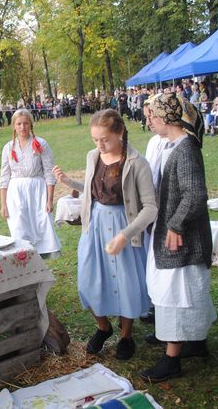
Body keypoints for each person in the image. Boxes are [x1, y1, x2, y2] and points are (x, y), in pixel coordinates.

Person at [53, 109, 157, 360]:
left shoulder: (136, 163)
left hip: (124, 226)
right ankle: (104, 327)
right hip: (95, 225)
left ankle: (126, 336)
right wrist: (70, 182)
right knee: (88, 280)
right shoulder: (93, 157)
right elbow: (92, 190)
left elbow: (151, 208)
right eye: (95, 139)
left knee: (125, 282)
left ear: (119, 133)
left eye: (104, 139)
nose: (99, 145)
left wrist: (125, 234)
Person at [140, 93, 216, 382]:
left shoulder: (185, 150)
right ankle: (196, 343)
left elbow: (195, 193)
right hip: (178, 234)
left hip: (184, 239)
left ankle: (171, 360)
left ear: (163, 119)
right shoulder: (176, 145)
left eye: (152, 117)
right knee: (189, 292)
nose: (149, 121)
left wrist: (175, 226)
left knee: (176, 293)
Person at [0, 109, 61, 258]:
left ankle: (41, 261)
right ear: (14, 126)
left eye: (25, 123)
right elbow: (4, 176)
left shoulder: (40, 144)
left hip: (37, 191)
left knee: (40, 226)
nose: (22, 127)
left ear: (31, 124)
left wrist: (49, 199)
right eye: (19, 124)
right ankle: (24, 260)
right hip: (16, 193)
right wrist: (3, 204)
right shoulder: (8, 147)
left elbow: (48, 172)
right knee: (19, 227)